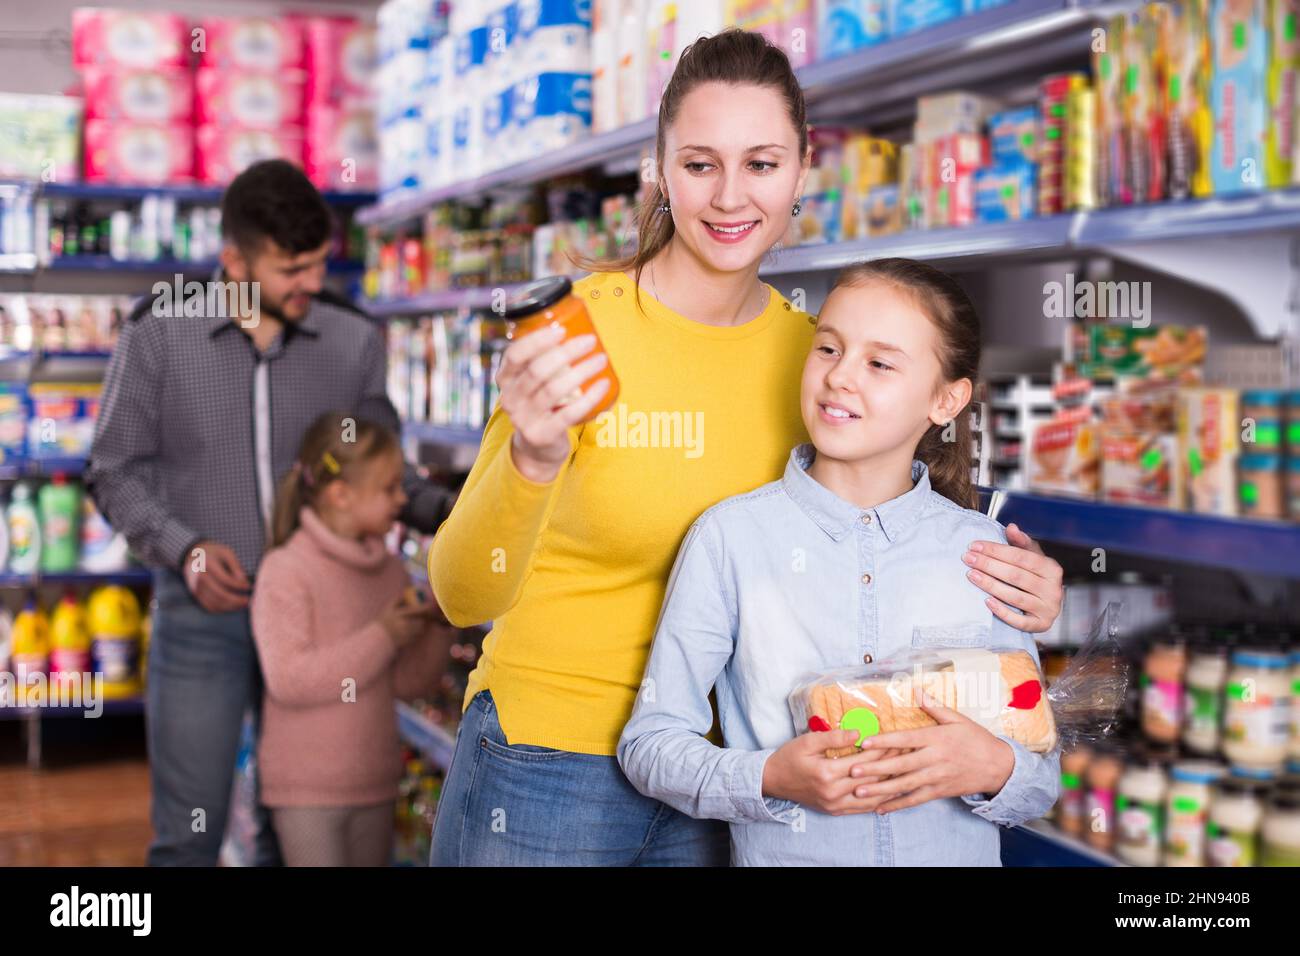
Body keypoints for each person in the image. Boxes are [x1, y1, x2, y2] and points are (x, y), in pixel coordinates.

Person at [426, 30, 1064, 866]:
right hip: (552, 760)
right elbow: (462, 595)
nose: (731, 196)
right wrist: (531, 462)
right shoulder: (583, 333)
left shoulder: (813, 357)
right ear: (658, 171)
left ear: (802, 171)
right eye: (699, 164)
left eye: (761, 164)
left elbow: (879, 525)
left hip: (734, 779)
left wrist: (1020, 594)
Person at [618, 258, 1060, 865]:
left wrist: (994, 764)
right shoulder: (731, 540)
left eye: (879, 363)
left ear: (946, 399)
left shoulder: (985, 555)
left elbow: (1041, 777)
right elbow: (650, 744)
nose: (840, 378)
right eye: (828, 349)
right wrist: (768, 776)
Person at [86, 159, 454, 866]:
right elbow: (114, 468)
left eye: (319, 263)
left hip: (326, 618)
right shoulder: (160, 333)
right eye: (291, 270)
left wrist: (451, 510)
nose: (312, 284)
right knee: (189, 837)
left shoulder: (350, 341)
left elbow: (383, 468)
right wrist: (184, 547)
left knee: (295, 833)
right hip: (204, 616)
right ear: (233, 260)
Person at [250, 413, 450, 867]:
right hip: (306, 791)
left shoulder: (392, 572)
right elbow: (290, 679)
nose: (403, 500)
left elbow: (407, 683)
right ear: (341, 495)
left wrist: (441, 622)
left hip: (376, 782)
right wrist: (383, 634)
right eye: (390, 488)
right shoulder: (287, 571)